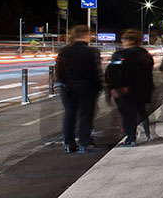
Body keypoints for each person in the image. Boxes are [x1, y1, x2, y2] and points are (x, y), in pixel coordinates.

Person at [56, 25, 102, 153]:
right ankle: (85, 143)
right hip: (87, 86)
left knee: (69, 115)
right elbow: (95, 72)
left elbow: (59, 72)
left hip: (68, 88)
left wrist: (65, 84)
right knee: (85, 115)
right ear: (86, 35)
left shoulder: (64, 51)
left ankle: (69, 144)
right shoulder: (92, 52)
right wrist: (98, 86)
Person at [107, 29, 154, 145]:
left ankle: (131, 138)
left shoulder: (120, 55)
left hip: (125, 90)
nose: (122, 41)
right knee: (142, 112)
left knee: (128, 114)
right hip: (143, 89)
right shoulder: (146, 55)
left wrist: (115, 87)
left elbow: (113, 72)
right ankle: (148, 134)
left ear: (129, 40)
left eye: (123, 39)